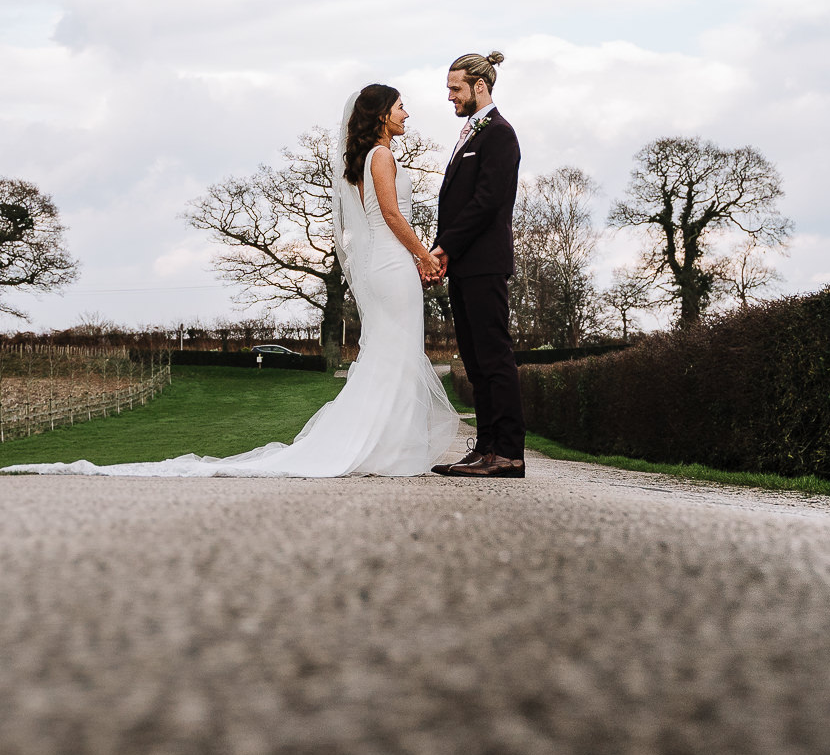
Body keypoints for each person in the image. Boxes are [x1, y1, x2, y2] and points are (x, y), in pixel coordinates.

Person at [1, 85, 460, 478]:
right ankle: (390, 449)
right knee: (396, 353)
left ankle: (386, 446)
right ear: (381, 114)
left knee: (390, 353)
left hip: (384, 263)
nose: (406, 114)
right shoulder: (382, 156)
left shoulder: (365, 157)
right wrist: (424, 255)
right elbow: (393, 215)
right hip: (393, 263)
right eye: (400, 107)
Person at [426, 51, 526, 479]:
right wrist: (442, 251)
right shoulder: (471, 134)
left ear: (479, 87)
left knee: (495, 356)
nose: (450, 96)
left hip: (485, 262)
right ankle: (486, 448)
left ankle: (508, 453)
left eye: (455, 88)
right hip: (464, 264)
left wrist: (442, 248)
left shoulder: (500, 134)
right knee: (474, 359)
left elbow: (485, 203)